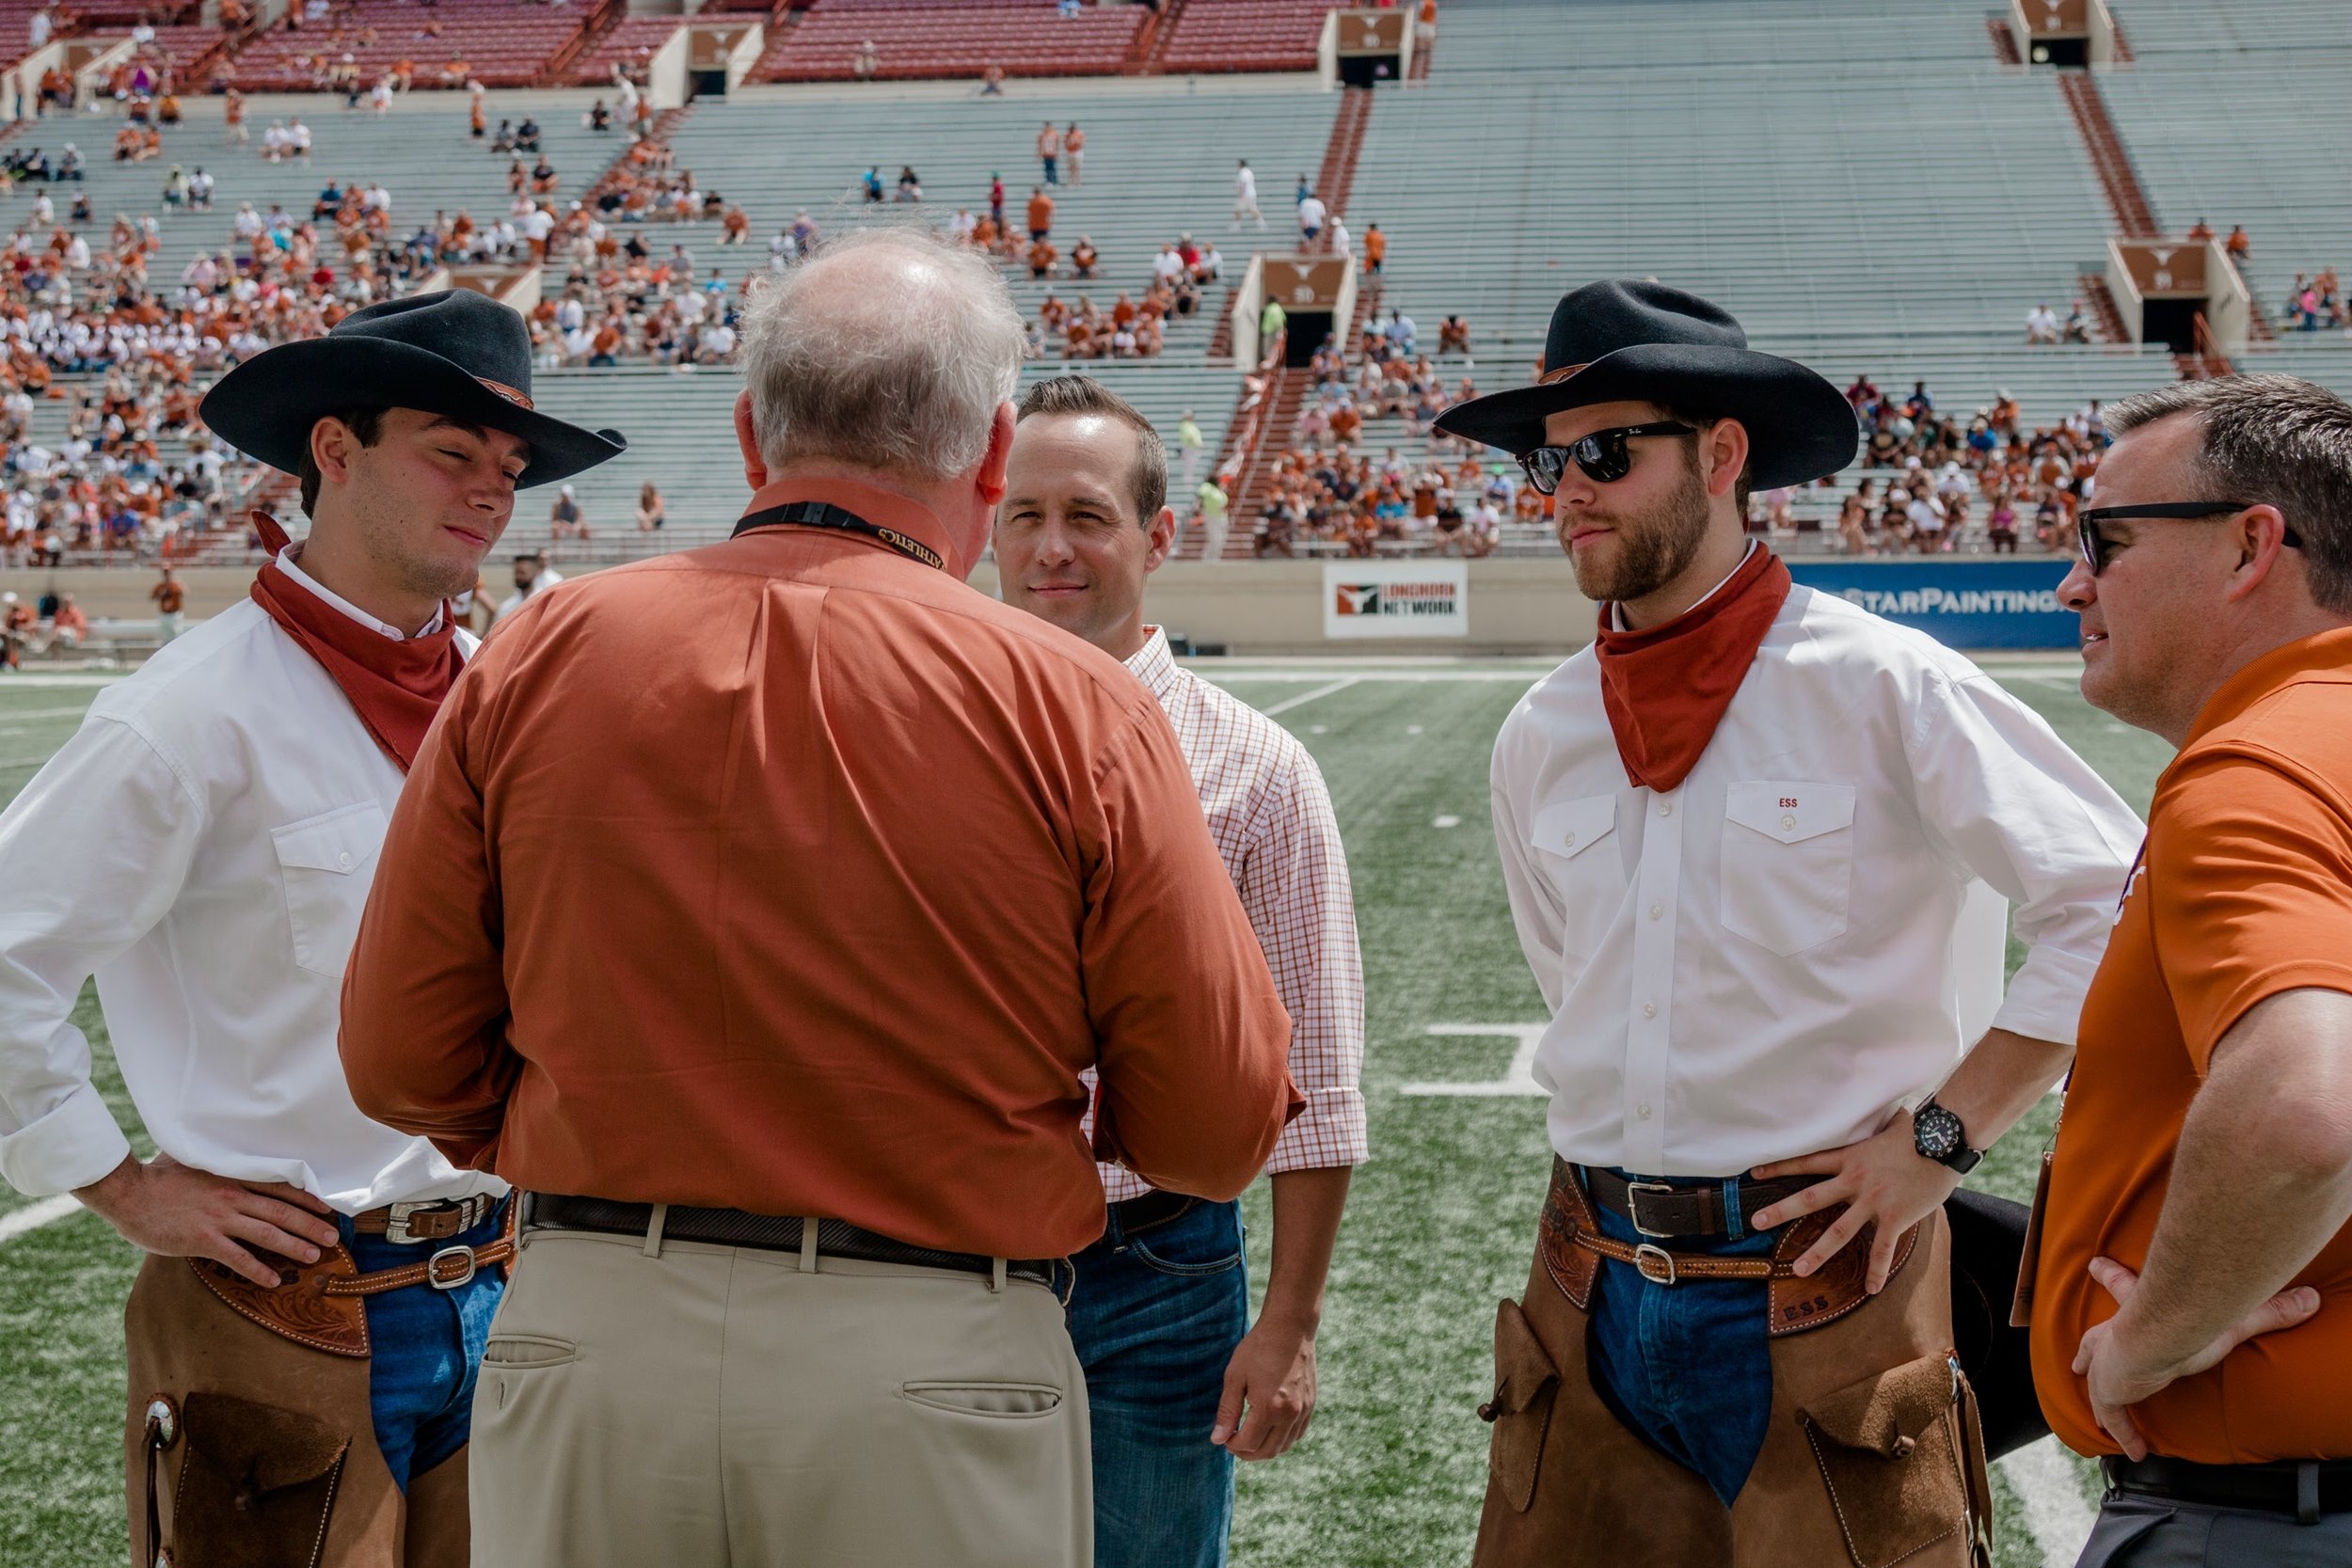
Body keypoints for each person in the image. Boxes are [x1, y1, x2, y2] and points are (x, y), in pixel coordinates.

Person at [338, 227, 1298, 1568]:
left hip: (592, 1329)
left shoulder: (536, 650)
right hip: (933, 1349)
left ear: (748, 437)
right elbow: (1211, 1127)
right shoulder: (1076, 698)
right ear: (991, 453)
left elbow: (397, 1057)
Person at [1433, 280, 2140, 1565]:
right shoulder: (1543, 727)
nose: (1567, 489)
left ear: (1722, 454)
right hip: (1583, 1282)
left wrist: (1943, 1133)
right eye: (1551, 457)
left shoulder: (1885, 681)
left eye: (1606, 451)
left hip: (1830, 1288)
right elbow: (1577, 981)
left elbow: (2118, 899)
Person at [0, 290, 625, 1568]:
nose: (492, 492)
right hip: (284, 1304)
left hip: (509, 1283)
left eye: (507, 468)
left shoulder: (508, 697)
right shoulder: (187, 713)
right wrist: (118, 1182)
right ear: (331, 452)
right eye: (452, 451)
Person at [995, 375, 1364, 1568]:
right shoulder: (921, 739)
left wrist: (1290, 1323)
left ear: (1160, 535)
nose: (1052, 549)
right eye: (1023, 514)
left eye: (1088, 516)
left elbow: (1318, 1076)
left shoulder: (1259, 769)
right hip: (948, 1248)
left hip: (1157, 1260)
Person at [2033, 374, 2352, 1563]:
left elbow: (2305, 1106)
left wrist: (2150, 1339)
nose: (2071, 583)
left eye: (2101, 541)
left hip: (2267, 1517)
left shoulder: (2256, 775)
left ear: (2247, 547)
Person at [496, 549, 560, 622]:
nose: (518, 577)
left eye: (523, 573)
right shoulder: (506, 608)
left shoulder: (544, 604)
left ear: (534, 573)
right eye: (516, 573)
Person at [1197, 473, 1230, 560]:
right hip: (1211, 516)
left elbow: (1224, 503)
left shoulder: (1218, 490)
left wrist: (1221, 489)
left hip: (1222, 517)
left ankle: (1215, 558)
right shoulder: (1207, 486)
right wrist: (1198, 506)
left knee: (1222, 538)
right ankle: (1208, 558)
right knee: (1215, 538)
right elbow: (1201, 495)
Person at [149, 564, 184, 641]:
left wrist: (178, 583)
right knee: (165, 636)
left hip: (174, 614)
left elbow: (183, 593)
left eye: (168, 573)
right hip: (164, 614)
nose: (166, 575)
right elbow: (152, 597)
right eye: (165, 573)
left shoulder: (176, 584)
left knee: (177, 634)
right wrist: (161, 594)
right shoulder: (160, 586)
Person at [1177, 406, 1203, 495]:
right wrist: (1196, 443)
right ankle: (1188, 482)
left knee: (1191, 464)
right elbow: (1190, 436)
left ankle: (1189, 481)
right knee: (1189, 464)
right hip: (1189, 447)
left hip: (1191, 447)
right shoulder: (1186, 425)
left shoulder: (1189, 425)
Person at [1233, 158, 1263, 230]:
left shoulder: (1242, 172)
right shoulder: (1249, 172)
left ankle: (1236, 225)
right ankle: (1261, 223)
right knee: (1252, 208)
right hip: (1251, 193)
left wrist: (1241, 194)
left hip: (1245, 194)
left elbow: (1243, 183)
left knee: (1238, 209)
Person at [1037, 119, 1060, 185]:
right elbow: (1040, 145)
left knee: (1053, 168)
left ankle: (1055, 181)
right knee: (1047, 168)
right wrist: (1039, 154)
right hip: (1045, 154)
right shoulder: (1042, 134)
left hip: (1052, 154)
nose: (1047, 127)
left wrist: (1057, 153)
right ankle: (1048, 181)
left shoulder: (1054, 134)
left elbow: (1057, 144)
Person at [1064, 120, 1084, 185]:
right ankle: (1071, 182)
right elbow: (1065, 143)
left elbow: (1081, 143)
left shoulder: (1079, 134)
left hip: (1077, 152)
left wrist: (1076, 143)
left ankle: (1078, 182)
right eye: (1071, 128)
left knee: (1077, 168)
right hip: (1070, 152)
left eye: (1073, 128)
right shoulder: (1067, 134)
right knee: (1070, 168)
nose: (1072, 129)